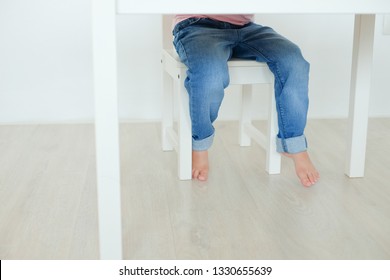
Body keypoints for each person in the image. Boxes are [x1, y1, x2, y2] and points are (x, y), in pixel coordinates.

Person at [172, 14, 319, 187]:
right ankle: (200, 145)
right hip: (196, 26)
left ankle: (295, 144)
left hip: (245, 27)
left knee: (294, 62)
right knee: (210, 74)